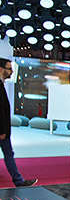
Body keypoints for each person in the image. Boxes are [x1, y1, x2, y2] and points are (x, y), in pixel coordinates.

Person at [0, 58, 37, 187]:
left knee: (9, 154)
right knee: (9, 154)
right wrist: (2, 131)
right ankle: (18, 180)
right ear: (1, 69)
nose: (11, 71)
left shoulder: (2, 84)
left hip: (4, 130)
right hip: (2, 131)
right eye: (9, 68)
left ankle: (18, 180)